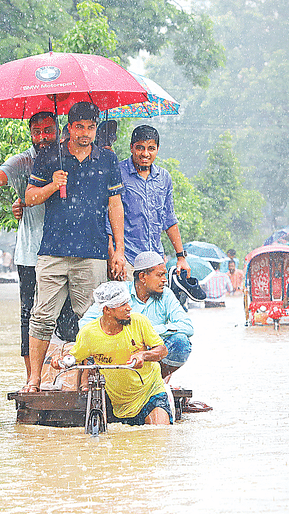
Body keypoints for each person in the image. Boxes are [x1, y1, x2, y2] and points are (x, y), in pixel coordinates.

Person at [22, 101, 126, 393]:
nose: (85, 133)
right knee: (42, 316)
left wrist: (118, 249)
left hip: (91, 253)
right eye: (79, 127)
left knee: (91, 318)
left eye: (91, 127)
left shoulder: (107, 159)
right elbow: (30, 198)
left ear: (96, 129)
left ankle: (86, 382)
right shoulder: (49, 155)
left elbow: (114, 205)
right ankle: (34, 380)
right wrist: (52, 186)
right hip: (52, 251)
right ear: (68, 128)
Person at [0, 111, 79, 382]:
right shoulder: (23, 161)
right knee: (30, 319)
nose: (42, 137)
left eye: (48, 130)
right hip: (32, 254)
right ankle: (33, 379)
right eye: (36, 131)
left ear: (60, 129)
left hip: (68, 252)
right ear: (30, 133)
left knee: (70, 321)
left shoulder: (73, 156)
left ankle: (70, 380)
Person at [60, 281, 173, 425]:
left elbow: (162, 350)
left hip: (150, 393)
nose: (129, 308)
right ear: (107, 309)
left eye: (128, 302)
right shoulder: (89, 333)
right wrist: (61, 361)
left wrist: (143, 355)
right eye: (123, 305)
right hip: (118, 401)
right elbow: (74, 356)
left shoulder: (139, 322)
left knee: (159, 434)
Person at [79, 250, 193, 379]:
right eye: (160, 275)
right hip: (117, 351)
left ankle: (154, 379)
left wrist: (147, 333)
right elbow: (84, 324)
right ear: (143, 277)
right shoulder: (119, 291)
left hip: (150, 354)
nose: (165, 280)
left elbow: (187, 326)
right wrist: (116, 335)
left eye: (164, 275)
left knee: (181, 342)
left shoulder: (166, 294)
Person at [113, 124, 190, 279]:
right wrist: (113, 255)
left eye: (151, 148)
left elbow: (169, 219)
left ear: (157, 149)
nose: (145, 154)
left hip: (155, 260)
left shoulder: (164, 177)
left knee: (156, 303)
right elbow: (109, 218)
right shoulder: (118, 173)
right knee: (128, 303)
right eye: (140, 148)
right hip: (127, 258)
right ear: (131, 148)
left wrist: (181, 257)